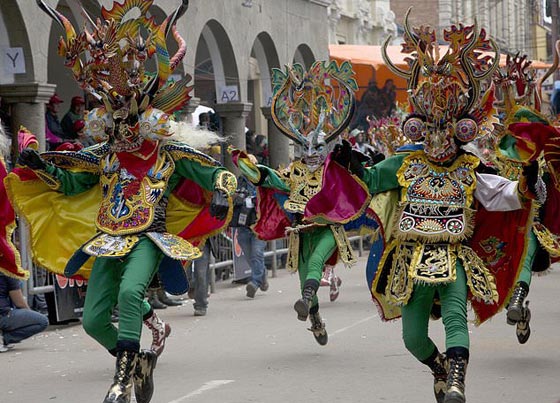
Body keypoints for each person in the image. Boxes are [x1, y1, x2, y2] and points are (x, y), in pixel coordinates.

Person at [12, 2, 235, 403]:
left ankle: (121, 382)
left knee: (132, 294)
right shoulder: (106, 156)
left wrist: (221, 192)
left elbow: (215, 171)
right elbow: (68, 180)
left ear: (147, 118)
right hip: (106, 239)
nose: (122, 127)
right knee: (95, 321)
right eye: (114, 120)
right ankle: (136, 361)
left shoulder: (170, 154)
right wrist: (37, 166)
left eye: (128, 119)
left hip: (149, 239)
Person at [349, 14, 541, 403]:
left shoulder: (472, 169)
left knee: (455, 316)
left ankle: (457, 383)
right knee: (412, 337)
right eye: (430, 129)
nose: (438, 139)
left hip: (452, 255)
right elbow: (367, 183)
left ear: (459, 130)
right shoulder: (402, 164)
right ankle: (438, 367)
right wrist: (350, 166)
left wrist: (527, 181)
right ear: (419, 128)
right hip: (410, 256)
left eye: (446, 129)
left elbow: (506, 195)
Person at [232, 60, 368, 346]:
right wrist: (255, 171)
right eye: (304, 147)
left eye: (316, 147)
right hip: (301, 233)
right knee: (308, 279)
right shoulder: (294, 172)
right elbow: (276, 182)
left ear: (325, 147)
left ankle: (306, 298)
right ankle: (315, 316)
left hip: (328, 230)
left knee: (318, 263)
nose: (310, 152)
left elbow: (355, 184)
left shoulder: (333, 171)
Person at [232, 175, 268, 298]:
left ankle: (255, 282)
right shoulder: (239, 182)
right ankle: (262, 275)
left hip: (259, 226)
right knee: (249, 256)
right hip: (243, 226)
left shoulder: (264, 181)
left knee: (257, 253)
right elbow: (231, 198)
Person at [0, 272, 49, 352]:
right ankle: (5, 338)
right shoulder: (9, 273)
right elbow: (20, 303)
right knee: (42, 321)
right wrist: (29, 315)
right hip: (3, 314)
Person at [186, 240, 212, 316]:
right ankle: (192, 285)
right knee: (185, 272)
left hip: (203, 240)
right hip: (185, 239)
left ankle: (201, 305)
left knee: (201, 273)